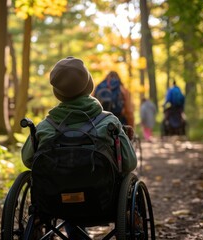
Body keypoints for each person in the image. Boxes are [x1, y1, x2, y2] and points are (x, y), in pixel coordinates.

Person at [21, 56, 137, 239]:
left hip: (54, 202)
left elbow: (28, 161)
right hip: (102, 201)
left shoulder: (44, 127)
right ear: (89, 87)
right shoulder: (109, 123)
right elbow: (129, 163)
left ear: (57, 93)